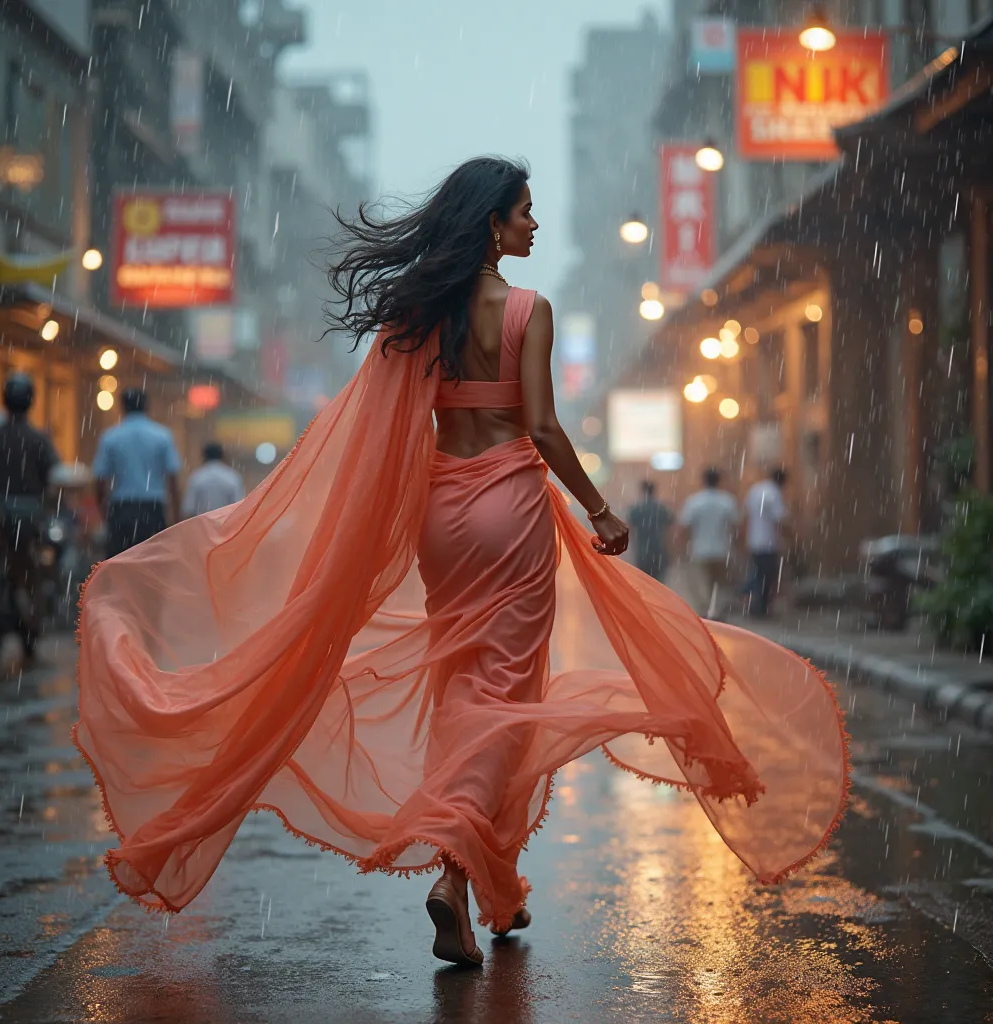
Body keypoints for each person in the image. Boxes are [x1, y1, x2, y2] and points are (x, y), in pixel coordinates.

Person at [73, 158, 848, 968]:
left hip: (442, 516)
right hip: (511, 508)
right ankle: (453, 866)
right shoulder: (526, 310)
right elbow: (543, 427)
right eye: (524, 212)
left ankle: (494, 889)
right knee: (508, 692)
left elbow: (392, 431)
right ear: (491, 225)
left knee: (465, 688)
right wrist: (599, 507)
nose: (534, 225)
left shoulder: (420, 318)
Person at [0, 373, 60, 654]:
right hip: (28, 518)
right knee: (36, 568)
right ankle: (36, 611)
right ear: (31, 401)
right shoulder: (39, 440)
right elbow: (54, 477)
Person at [92, 388, 181, 558]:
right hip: (153, 508)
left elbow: (100, 479)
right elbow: (173, 478)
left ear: (122, 407)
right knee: (152, 563)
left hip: (122, 509)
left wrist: (104, 511)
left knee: (120, 562)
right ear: (147, 406)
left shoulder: (110, 437)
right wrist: (176, 516)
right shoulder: (162, 436)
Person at [677, 468, 740, 619]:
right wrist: (737, 547)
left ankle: (706, 616)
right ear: (719, 480)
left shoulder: (694, 501)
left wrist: (681, 549)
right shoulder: (727, 501)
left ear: (703, 480)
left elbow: (685, 528)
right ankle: (717, 614)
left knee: (703, 586)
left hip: (700, 551)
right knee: (720, 586)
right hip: (722, 551)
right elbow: (736, 527)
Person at [745, 467, 790, 617]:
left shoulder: (756, 489)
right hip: (768, 542)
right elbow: (779, 519)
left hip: (754, 540)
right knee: (767, 577)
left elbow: (746, 513)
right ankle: (761, 608)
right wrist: (786, 539)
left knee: (757, 574)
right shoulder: (774, 493)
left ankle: (753, 604)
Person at [182, 442, 245, 518]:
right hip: (226, 525)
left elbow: (189, 508)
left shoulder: (197, 477)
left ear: (204, 456)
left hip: (203, 525)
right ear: (222, 456)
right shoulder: (232, 477)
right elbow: (239, 508)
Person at [627, 480, 672, 581]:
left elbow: (631, 531)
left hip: (642, 551)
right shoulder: (662, 509)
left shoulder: (636, 509)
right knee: (659, 583)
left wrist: (633, 549)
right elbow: (668, 532)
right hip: (659, 550)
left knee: (644, 582)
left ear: (642, 490)